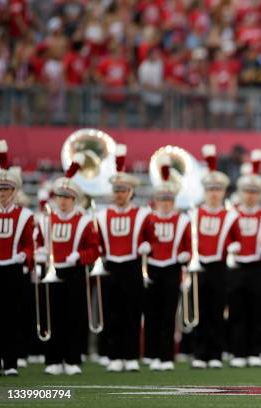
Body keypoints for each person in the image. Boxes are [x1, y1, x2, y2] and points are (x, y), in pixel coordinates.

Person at [35, 153, 100, 375]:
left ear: (75, 199)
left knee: (74, 316)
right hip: (52, 273)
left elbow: (94, 249)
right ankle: (53, 360)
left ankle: (72, 360)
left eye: (67, 196)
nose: (62, 200)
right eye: (59, 196)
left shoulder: (84, 220)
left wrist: (79, 257)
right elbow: (38, 243)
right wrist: (41, 253)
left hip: (74, 273)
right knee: (53, 316)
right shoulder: (46, 220)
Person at [96, 145, 150, 372]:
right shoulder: (101, 215)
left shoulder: (143, 214)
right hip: (111, 268)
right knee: (112, 312)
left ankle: (130, 356)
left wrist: (149, 245)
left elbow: (153, 237)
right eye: (116, 190)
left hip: (133, 267)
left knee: (132, 312)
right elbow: (96, 240)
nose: (119, 194)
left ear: (131, 191)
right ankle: (114, 355)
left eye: (123, 190)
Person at [140, 157, 192, 371]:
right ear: (156, 200)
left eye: (169, 200)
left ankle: (167, 356)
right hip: (152, 268)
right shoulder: (148, 218)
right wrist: (143, 246)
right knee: (151, 313)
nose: (165, 204)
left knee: (169, 314)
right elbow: (140, 238)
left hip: (172, 269)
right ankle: (151, 354)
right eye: (162, 200)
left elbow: (189, 246)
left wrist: (184, 255)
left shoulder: (182, 220)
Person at [191, 145, 239, 369]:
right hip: (199, 268)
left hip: (220, 267)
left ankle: (216, 354)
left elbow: (237, 238)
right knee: (200, 311)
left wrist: (234, 246)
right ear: (205, 191)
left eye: (218, 189)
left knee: (217, 310)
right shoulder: (194, 213)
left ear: (223, 192)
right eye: (210, 189)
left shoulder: (231, 216)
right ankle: (200, 354)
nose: (214, 193)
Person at [229, 150, 261, 368]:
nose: (250, 195)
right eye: (246, 191)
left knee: (258, 311)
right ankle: (238, 352)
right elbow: (227, 236)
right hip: (238, 268)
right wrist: (230, 248)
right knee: (238, 311)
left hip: (258, 268)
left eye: (254, 192)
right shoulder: (232, 213)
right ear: (240, 193)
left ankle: (255, 351)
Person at [0, 141, 34, 376]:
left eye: (6, 190)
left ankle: (11, 362)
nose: (2, 194)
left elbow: (30, 244)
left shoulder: (25, 215)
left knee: (12, 317)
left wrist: (26, 255)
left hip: (12, 269)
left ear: (14, 192)